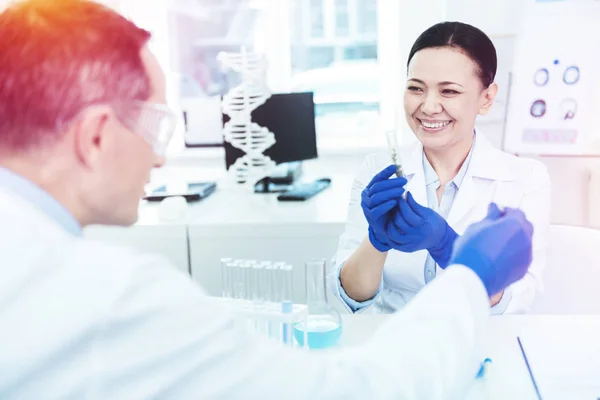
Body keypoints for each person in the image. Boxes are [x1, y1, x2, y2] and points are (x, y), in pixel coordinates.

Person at [0, 1, 533, 398]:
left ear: (486, 98)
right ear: (95, 137)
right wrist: (469, 271)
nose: (159, 160)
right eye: (157, 127)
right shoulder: (107, 295)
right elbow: (356, 387)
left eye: (450, 91)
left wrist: (451, 253)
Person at [330, 21, 551, 315]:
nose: (429, 106)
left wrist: (449, 246)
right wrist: (376, 241)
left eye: (449, 92)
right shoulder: (377, 169)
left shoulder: (525, 179)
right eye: (416, 88)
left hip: (481, 344)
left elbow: (518, 296)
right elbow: (351, 296)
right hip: (393, 342)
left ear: (486, 98)